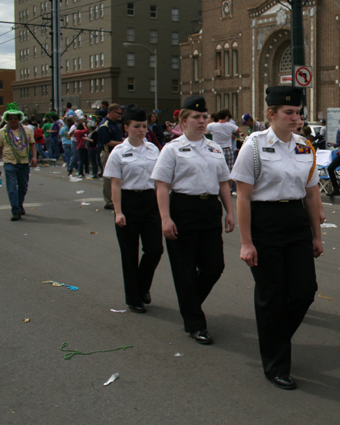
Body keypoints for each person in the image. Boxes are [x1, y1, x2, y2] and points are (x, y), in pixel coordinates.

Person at [230, 86, 323, 390]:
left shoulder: (305, 147)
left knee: (304, 291)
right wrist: (246, 242)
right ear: (272, 114)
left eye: (298, 112)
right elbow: (242, 198)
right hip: (265, 222)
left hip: (295, 222)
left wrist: (317, 235)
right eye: (289, 112)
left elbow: (311, 195)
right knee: (271, 296)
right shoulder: (253, 146)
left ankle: (276, 338)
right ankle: (276, 365)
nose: (296, 118)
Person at [151, 96, 235, 345]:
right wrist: (165, 219)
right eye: (197, 117)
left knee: (214, 266)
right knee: (184, 270)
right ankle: (196, 323)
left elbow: (223, 183)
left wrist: (229, 211)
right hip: (182, 209)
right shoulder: (172, 149)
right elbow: (162, 187)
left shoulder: (215, 148)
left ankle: (189, 304)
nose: (202, 121)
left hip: (209, 209)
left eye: (204, 117)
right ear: (184, 120)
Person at [103, 104, 163, 314]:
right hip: (127, 202)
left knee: (155, 249)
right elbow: (115, 184)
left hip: (149, 201)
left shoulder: (153, 149)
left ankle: (142, 286)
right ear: (126, 127)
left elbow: (158, 180)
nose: (141, 130)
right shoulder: (119, 152)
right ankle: (134, 298)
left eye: (144, 126)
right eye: (137, 126)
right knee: (129, 255)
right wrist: (118, 211)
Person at [0, 103, 38, 221]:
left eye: (15, 118)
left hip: (24, 162)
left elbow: (32, 144)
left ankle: (19, 204)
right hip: (9, 163)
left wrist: (34, 157)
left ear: (19, 118)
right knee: (12, 188)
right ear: (7, 119)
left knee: (23, 187)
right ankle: (15, 210)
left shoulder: (26, 130)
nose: (13, 120)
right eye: (10, 118)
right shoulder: (2, 132)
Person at [98, 105, 125, 209]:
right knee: (109, 178)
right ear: (112, 112)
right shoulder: (105, 125)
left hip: (117, 153)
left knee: (118, 177)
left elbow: (117, 137)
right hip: (108, 153)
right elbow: (107, 142)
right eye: (119, 113)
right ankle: (109, 201)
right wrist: (121, 143)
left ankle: (116, 199)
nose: (120, 116)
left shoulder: (115, 124)